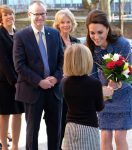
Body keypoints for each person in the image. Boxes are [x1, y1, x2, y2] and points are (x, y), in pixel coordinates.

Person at [13, 1, 64, 150]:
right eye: (36, 14)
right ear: (30, 15)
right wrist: (39, 81)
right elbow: (19, 65)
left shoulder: (54, 33)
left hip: (54, 91)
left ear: (46, 14)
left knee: (55, 130)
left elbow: (62, 59)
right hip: (32, 91)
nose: (40, 17)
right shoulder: (21, 36)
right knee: (32, 131)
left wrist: (56, 77)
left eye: (43, 14)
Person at [85, 10, 132, 150]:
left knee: (119, 136)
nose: (96, 37)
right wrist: (101, 92)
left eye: (100, 32)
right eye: (92, 33)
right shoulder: (88, 48)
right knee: (105, 136)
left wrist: (117, 84)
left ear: (107, 28)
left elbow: (128, 74)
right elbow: (92, 77)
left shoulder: (122, 44)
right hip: (103, 98)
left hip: (124, 95)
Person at [61, 43, 105, 150]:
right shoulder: (94, 83)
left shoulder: (64, 82)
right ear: (87, 60)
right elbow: (99, 107)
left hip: (70, 126)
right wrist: (105, 96)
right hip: (89, 127)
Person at [53, 8, 80, 146]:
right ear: (58, 24)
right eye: (62, 22)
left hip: (75, 88)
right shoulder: (53, 40)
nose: (65, 25)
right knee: (59, 126)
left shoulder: (76, 42)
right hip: (59, 88)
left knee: (74, 126)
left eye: (68, 22)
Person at [0, 5, 24, 150]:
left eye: (11, 14)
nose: (9, 16)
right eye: (6, 14)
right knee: (4, 115)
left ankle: (15, 145)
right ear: (1, 19)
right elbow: (3, 61)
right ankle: (4, 146)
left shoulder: (18, 34)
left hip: (20, 81)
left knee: (18, 114)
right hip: (4, 82)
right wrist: (14, 81)